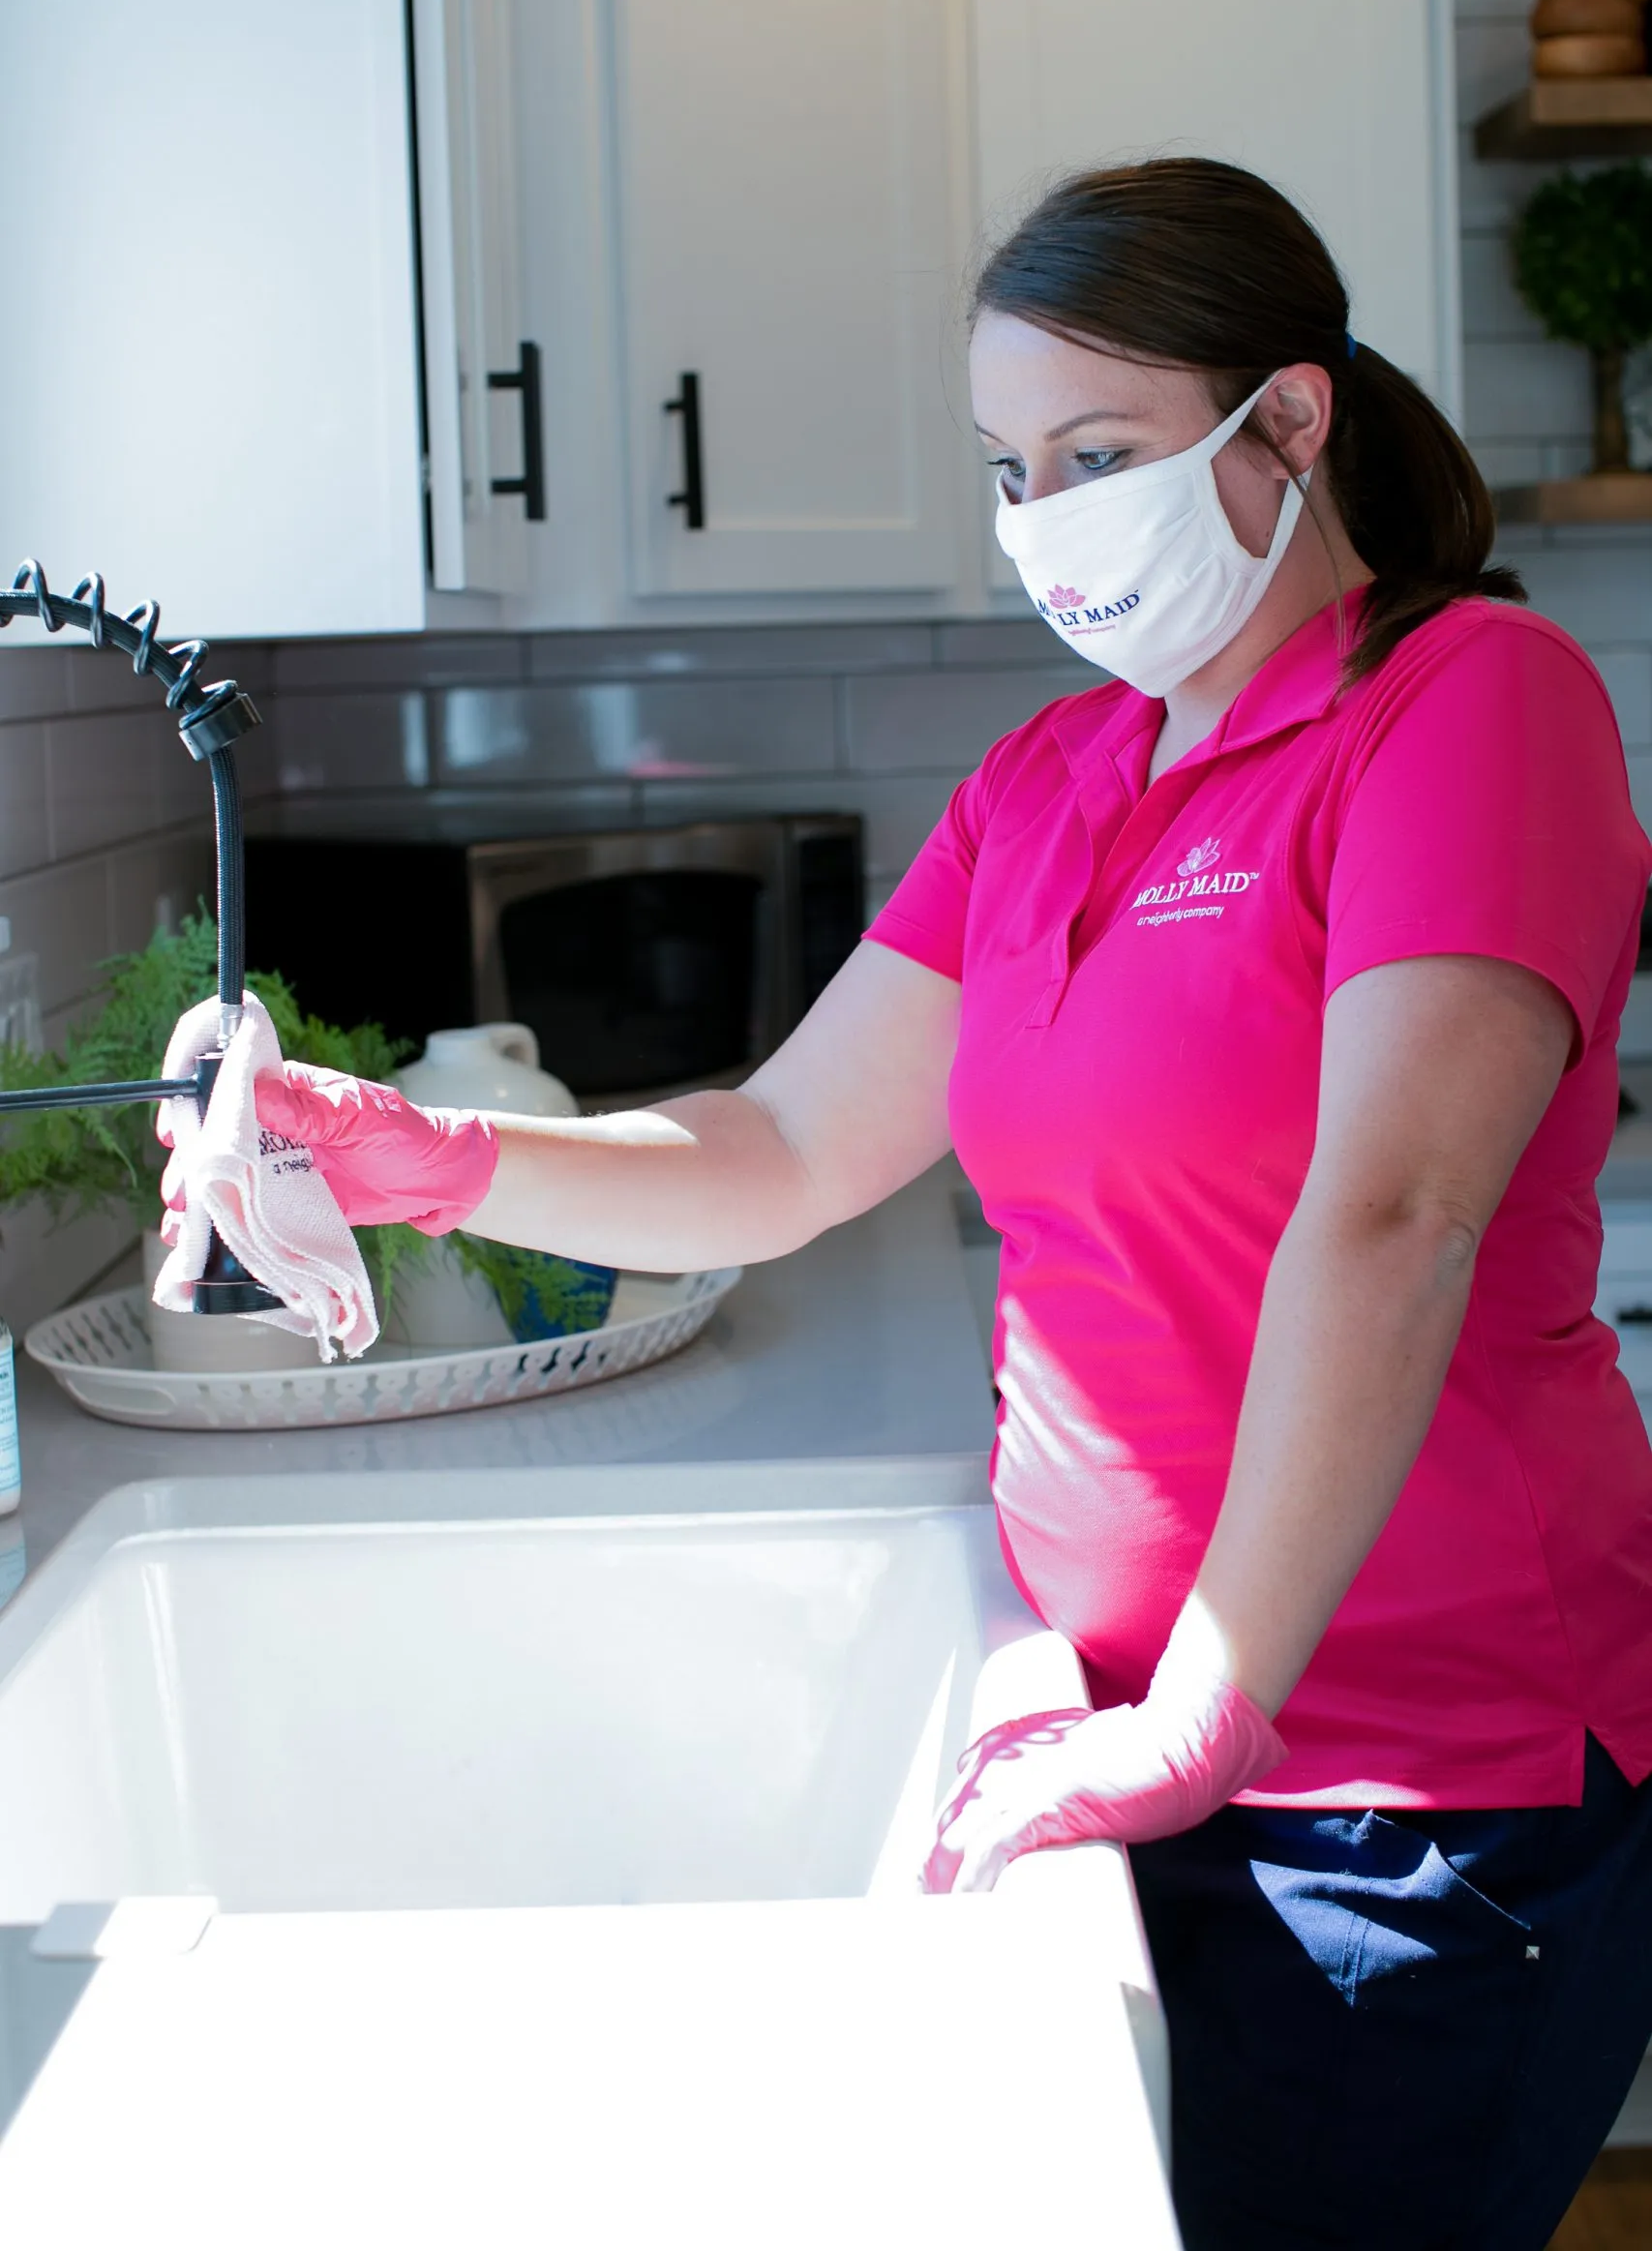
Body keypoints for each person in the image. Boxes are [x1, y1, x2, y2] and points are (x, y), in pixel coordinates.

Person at [187, 159, 1652, 2250]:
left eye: (1097, 453)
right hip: (1126, 1739)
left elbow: (1396, 1207)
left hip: (1402, 1790)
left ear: (1292, 421)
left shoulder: (1465, 702)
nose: (1042, 514)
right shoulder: (1049, 779)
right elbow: (784, 1149)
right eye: (1006, 464)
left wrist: (1206, 1712)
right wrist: (439, 1161)